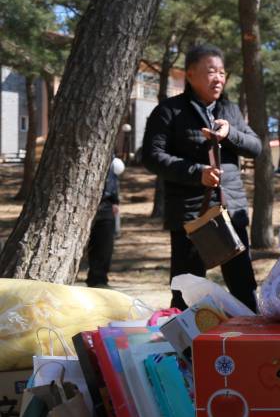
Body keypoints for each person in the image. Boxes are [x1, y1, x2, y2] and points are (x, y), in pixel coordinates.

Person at [141, 43, 263, 312]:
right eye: (210, 71)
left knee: (244, 287)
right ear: (190, 74)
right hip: (191, 214)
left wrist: (230, 134)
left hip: (231, 211)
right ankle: (183, 348)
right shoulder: (169, 111)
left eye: (221, 72)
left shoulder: (229, 111)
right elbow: (151, 155)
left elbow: (256, 147)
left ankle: (251, 344)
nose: (218, 78)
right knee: (186, 289)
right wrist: (197, 174)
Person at [85, 157, 125, 288]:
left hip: (106, 204)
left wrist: (115, 201)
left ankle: (99, 280)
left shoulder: (110, 156)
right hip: (83, 203)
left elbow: (113, 180)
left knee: (105, 246)